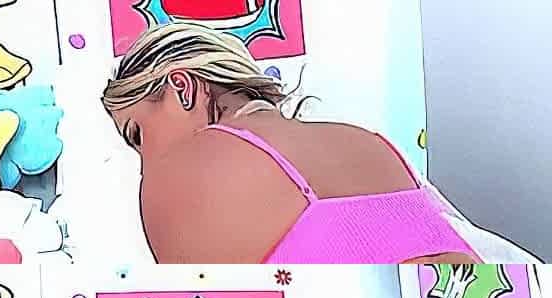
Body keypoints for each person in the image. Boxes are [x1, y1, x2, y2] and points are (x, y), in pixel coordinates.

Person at [102, 23, 539, 264]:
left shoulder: (181, 178)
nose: (143, 162)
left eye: (137, 135)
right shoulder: (375, 147)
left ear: (182, 88)